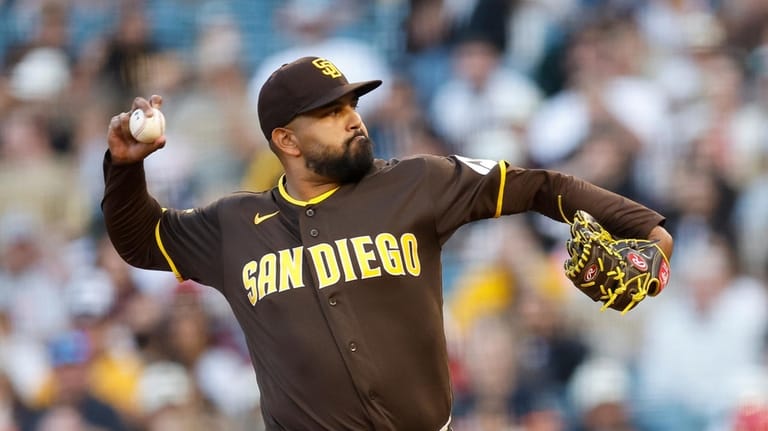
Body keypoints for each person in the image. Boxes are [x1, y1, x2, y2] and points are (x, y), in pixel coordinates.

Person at [102, 56, 674, 430]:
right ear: (286, 140)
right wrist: (124, 168)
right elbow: (139, 240)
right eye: (330, 113)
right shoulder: (232, 224)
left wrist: (649, 230)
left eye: (352, 105)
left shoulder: (416, 182)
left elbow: (542, 187)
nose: (353, 119)